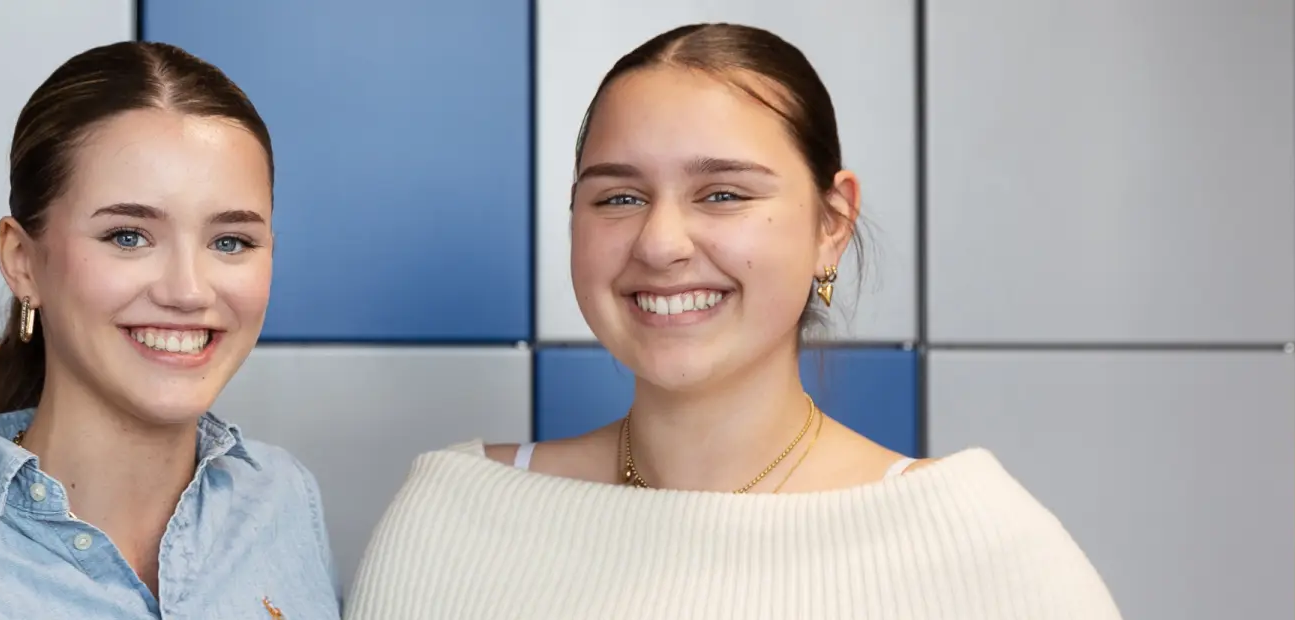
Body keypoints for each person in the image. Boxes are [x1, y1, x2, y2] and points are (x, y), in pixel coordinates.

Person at [342, 23, 1120, 618]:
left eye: (724, 194)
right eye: (618, 196)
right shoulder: (453, 512)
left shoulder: (976, 541)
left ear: (832, 220)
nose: (660, 242)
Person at [0, 41, 339, 619]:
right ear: (22, 260)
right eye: (128, 236)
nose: (188, 291)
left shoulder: (283, 500)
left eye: (229, 242)